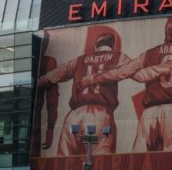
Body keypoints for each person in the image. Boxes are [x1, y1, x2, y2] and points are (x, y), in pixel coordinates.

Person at [79, 16, 172, 151]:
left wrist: (94, 78)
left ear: (166, 32)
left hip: (149, 113)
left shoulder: (149, 53)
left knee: (140, 159)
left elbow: (122, 72)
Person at [37, 27, 130, 155]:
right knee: (101, 160)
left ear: (96, 45)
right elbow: (133, 70)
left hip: (74, 115)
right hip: (101, 114)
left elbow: (49, 78)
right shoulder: (119, 57)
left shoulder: (79, 60)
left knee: (66, 161)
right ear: (112, 45)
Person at [32, 33, 59, 152]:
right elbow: (52, 100)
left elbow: (52, 99)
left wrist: (50, 129)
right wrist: (50, 129)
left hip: (33, 118)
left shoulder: (47, 62)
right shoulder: (47, 62)